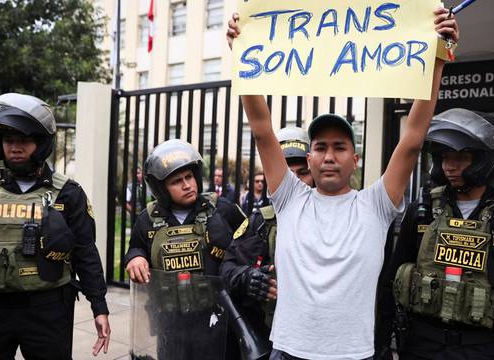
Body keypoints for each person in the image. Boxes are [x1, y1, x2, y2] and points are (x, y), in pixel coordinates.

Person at [227, 8, 458, 359]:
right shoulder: (290, 198)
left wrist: (438, 57)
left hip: (354, 354)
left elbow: (412, 138)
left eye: (340, 147)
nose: (329, 156)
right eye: (320, 147)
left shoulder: (376, 205)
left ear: (355, 159)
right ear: (309, 159)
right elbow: (261, 128)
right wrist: (242, 54)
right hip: (288, 351)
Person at [375, 108, 494, 360]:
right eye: (444, 157)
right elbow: (389, 282)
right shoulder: (423, 212)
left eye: (460, 157)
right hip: (421, 346)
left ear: (485, 159)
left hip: (482, 349)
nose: (449, 166)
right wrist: (382, 346)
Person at [0, 93, 110, 359]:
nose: (15, 147)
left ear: (41, 142)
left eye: (24, 139)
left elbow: (85, 252)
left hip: (48, 310)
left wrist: (99, 306)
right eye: (9, 140)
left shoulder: (68, 193)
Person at [124, 139, 248, 359]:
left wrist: (229, 245)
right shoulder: (148, 219)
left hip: (217, 320)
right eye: (176, 181)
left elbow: (249, 250)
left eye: (189, 177)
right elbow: (136, 248)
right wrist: (136, 258)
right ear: (162, 189)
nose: (187, 185)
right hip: (171, 323)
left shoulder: (223, 210)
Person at [220, 127, 313, 352]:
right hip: (273, 336)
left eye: (303, 173)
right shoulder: (261, 221)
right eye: (287, 174)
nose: (296, 183)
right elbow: (228, 268)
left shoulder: (335, 216)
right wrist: (247, 277)